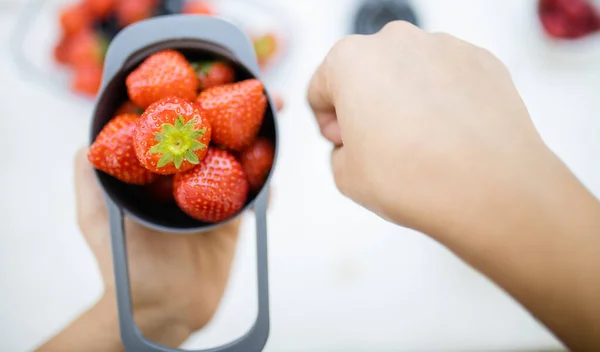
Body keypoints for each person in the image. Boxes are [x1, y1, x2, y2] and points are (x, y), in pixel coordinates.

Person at [35, 22, 600, 352]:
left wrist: (158, 311)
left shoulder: (186, 137)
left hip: (186, 142)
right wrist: (157, 309)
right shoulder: (182, 141)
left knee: (239, 141)